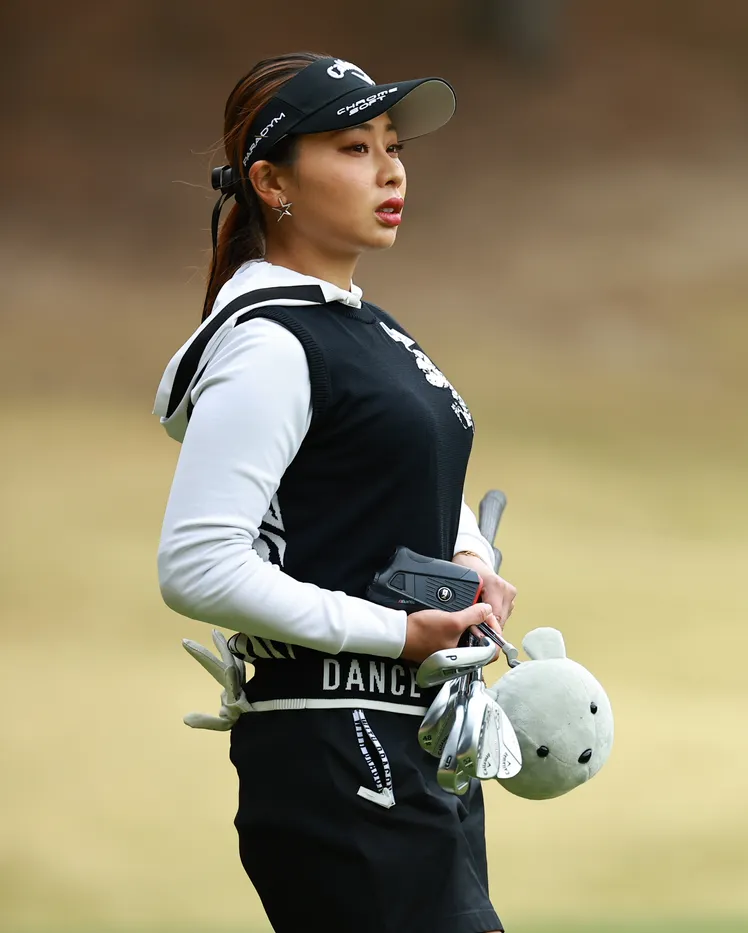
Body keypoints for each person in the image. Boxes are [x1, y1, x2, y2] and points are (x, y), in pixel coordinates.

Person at [152, 52, 515, 933]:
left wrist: (468, 553)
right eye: (354, 148)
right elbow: (197, 564)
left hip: (410, 738)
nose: (390, 170)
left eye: (393, 146)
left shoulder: (358, 328)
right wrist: (400, 632)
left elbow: (394, 468)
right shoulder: (270, 342)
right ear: (271, 181)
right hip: (338, 746)